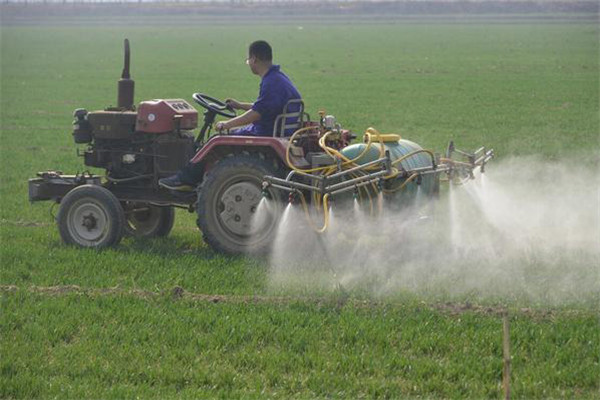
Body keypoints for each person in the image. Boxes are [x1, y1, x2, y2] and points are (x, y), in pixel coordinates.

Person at [159, 40, 301, 191]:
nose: (249, 64)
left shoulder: (271, 82)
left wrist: (227, 124)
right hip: (273, 128)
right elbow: (265, 107)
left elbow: (257, 113)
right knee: (217, 140)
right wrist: (239, 105)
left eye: (248, 60)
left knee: (215, 140)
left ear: (254, 59)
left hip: (264, 131)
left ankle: (186, 179)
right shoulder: (278, 77)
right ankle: (199, 178)